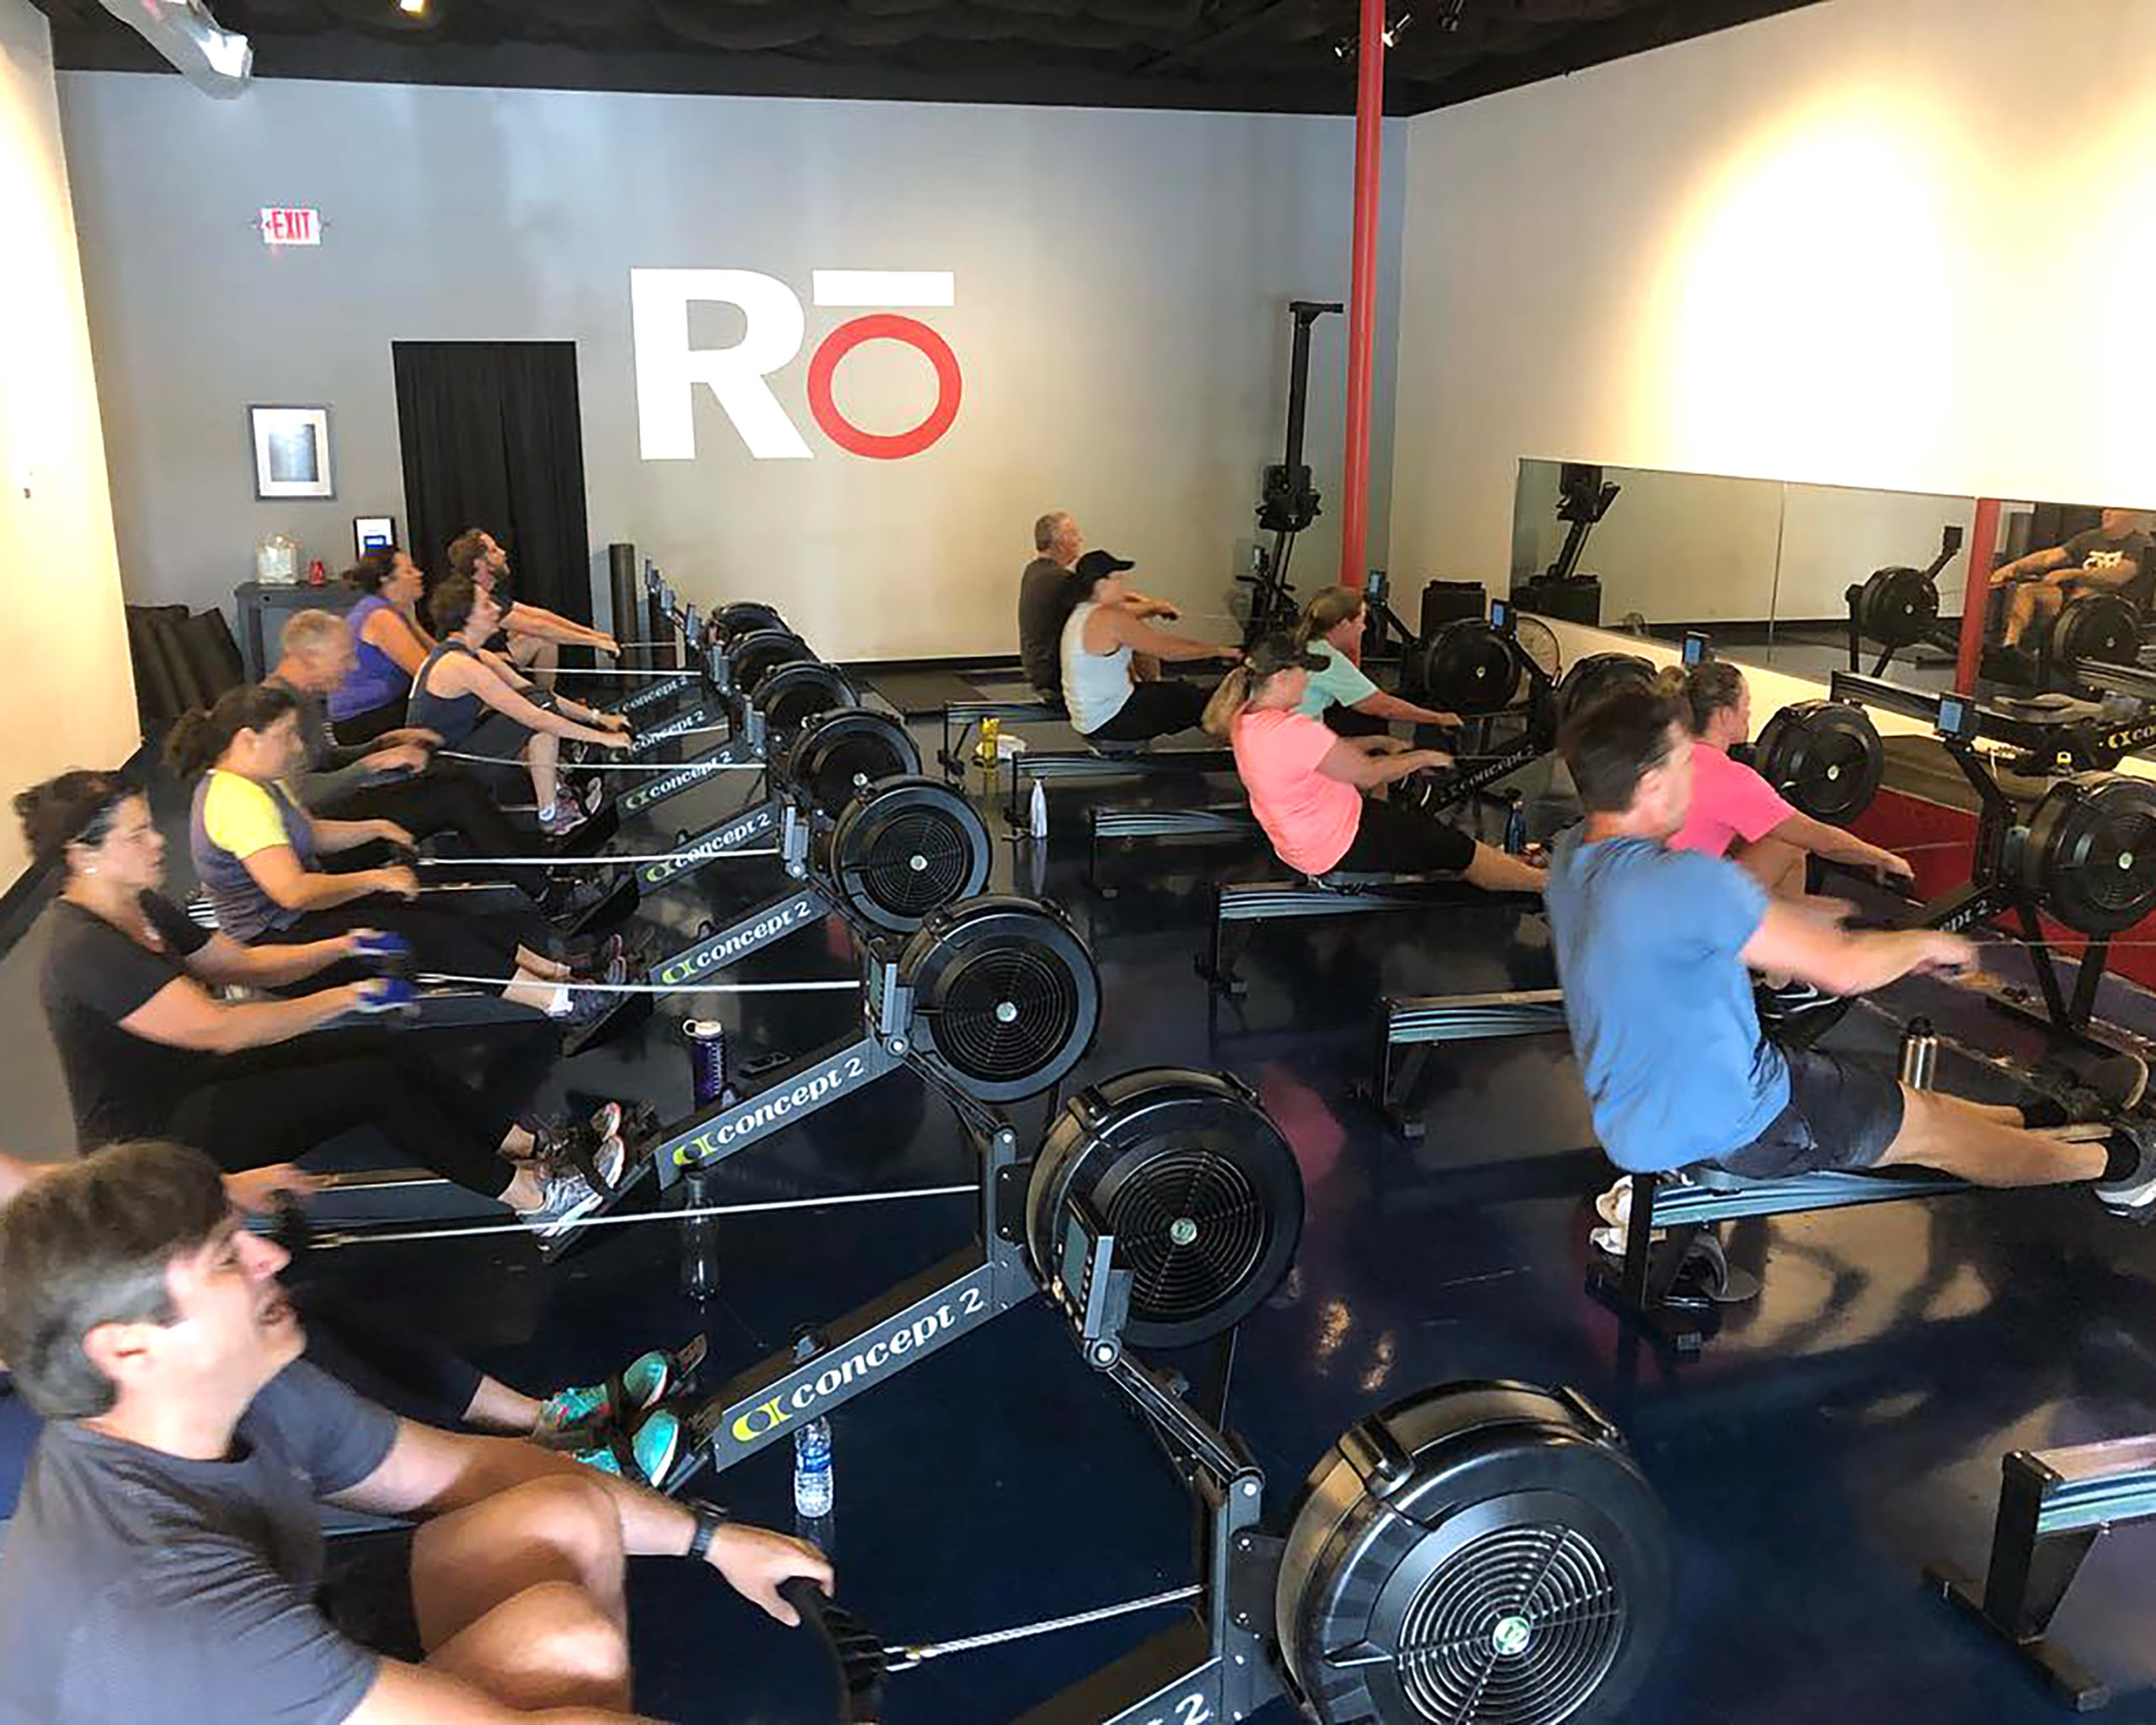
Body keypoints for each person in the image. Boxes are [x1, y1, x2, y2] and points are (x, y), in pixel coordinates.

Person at [0, 1141, 832, 1723]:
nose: (270, 1260)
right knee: (569, 1660)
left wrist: (713, 1541)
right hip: (234, 1676)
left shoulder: (247, 1387)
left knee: (566, 1525)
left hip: (274, 1656)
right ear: (128, 1346)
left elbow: (474, 1470)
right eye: (227, 1258)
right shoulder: (162, 1603)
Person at [1544, 678, 2156, 1206]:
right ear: (1651, 786)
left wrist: (1790, 918)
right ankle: (2117, 1164)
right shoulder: (1684, 879)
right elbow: (1843, 970)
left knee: (1913, 1103)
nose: (1693, 780)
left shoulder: (1573, 859)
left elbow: (1666, 941)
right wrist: (1923, 945)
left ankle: (2045, 1120)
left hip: (1635, 1118)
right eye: (1683, 765)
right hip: (1742, 1120)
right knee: (1938, 1132)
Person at [19, 769, 620, 1233]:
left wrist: (342, 945)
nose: (158, 842)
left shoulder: (139, 904)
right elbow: (218, 1029)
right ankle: (536, 1201)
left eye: (151, 825)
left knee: (377, 1048)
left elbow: (235, 962)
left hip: (194, 1085)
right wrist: (347, 995)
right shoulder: (83, 950)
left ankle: (534, 1148)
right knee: (365, 1084)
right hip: (155, 1143)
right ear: (82, 854)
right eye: (137, 834)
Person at [0, 1148, 691, 1482]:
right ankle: (521, 1470)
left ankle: (539, 1421)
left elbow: (39, 1197)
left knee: (311, 1304)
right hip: (38, 1397)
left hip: (50, 1338)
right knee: (276, 1363)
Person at [168, 683, 611, 1023]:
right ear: (248, 740)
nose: (298, 747)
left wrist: (375, 827)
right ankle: (559, 1003)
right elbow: (294, 892)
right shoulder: (234, 800)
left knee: (437, 908)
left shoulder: (259, 780)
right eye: (287, 737)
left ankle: (554, 971)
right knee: (421, 931)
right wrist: (376, 879)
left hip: (297, 921)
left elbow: (311, 833)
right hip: (277, 945)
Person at [271, 610, 608, 924]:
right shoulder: (274, 710)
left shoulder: (302, 698)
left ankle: (534, 863)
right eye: (344, 657)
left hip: (339, 812)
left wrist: (384, 743)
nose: (352, 665)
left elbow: (327, 760)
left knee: (451, 774)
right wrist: (371, 763)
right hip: (321, 843)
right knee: (454, 795)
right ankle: (550, 895)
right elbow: (298, 794)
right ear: (309, 658)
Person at [1206, 635, 1548, 891]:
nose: (1308, 680)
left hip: (1305, 842)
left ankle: (1507, 865)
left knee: (1415, 828)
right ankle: (1544, 885)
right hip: (1341, 843)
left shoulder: (1244, 718)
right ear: (1280, 678)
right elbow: (1366, 776)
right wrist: (1423, 757)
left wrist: (1380, 742)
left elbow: (1321, 756)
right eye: (1303, 673)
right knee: (1459, 849)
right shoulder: (1295, 729)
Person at [1670, 661, 1913, 898]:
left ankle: (1791, 921)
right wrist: (1883, 859)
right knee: (1794, 842)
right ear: (1724, 715)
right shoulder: (1733, 780)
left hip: (1649, 889)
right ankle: (1793, 926)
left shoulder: (1665, 754)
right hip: (1685, 909)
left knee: (1785, 843)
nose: (1749, 713)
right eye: (1745, 705)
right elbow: (1822, 840)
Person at [412, 576, 633, 834]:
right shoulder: (459, 665)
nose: (496, 609)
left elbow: (535, 693)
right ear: (467, 619)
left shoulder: (475, 655)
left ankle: (553, 794)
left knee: (538, 701)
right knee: (538, 715)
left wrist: (598, 718)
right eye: (486, 606)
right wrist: (605, 739)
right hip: (444, 772)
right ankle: (552, 816)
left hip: (456, 756)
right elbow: (535, 716)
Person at [1060, 556, 1239, 745]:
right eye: (1119, 578)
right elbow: (1168, 649)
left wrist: (1155, 607)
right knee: (1195, 700)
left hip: (1094, 717)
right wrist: (1222, 651)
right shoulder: (1109, 617)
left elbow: (1131, 609)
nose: (1124, 583)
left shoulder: (1084, 611)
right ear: (1101, 584)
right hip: (1113, 720)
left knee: (1181, 693)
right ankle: (1243, 746)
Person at [1017, 512, 1178, 699]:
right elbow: (1112, 609)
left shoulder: (1037, 571)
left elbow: (1106, 596)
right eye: (1074, 534)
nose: (1080, 539)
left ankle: (1142, 691)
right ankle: (1153, 692)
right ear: (1060, 541)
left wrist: (1145, 603)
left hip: (1040, 673)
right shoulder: (1059, 580)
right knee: (1132, 626)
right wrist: (1155, 607)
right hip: (1053, 679)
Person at [444, 526, 621, 689]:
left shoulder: (485, 591)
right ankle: (545, 705)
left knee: (541, 639)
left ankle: (547, 701)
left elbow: (541, 616)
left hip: (493, 661)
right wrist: (594, 642)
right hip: (474, 674)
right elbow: (537, 626)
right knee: (540, 636)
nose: (503, 553)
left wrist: (593, 634)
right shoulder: (473, 596)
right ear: (480, 564)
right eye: (494, 550)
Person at [1290, 586, 1461, 737]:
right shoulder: (1327, 659)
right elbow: (1383, 707)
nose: (1364, 628)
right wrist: (1439, 718)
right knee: (1380, 736)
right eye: (1361, 621)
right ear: (1343, 624)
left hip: (1285, 734)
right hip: (1297, 744)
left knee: (1376, 739)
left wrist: (1352, 646)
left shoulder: (1306, 645)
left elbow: (1357, 686)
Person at [1989, 505, 2156, 653]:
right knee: (2028, 591)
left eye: (2114, 509)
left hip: (2112, 610)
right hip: (2074, 603)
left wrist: (2072, 573)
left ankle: (2051, 650)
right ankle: (2010, 648)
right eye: (2106, 509)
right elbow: (2048, 557)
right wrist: (2011, 568)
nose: (2106, 513)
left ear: (2132, 514)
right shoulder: (2089, 538)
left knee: (2084, 591)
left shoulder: (2140, 544)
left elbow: (2117, 577)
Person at [331, 547, 438, 746]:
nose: (419, 574)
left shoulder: (390, 610)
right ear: (385, 580)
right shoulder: (380, 616)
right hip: (362, 721)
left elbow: (437, 655)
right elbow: (427, 672)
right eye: (409, 571)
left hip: (382, 707)